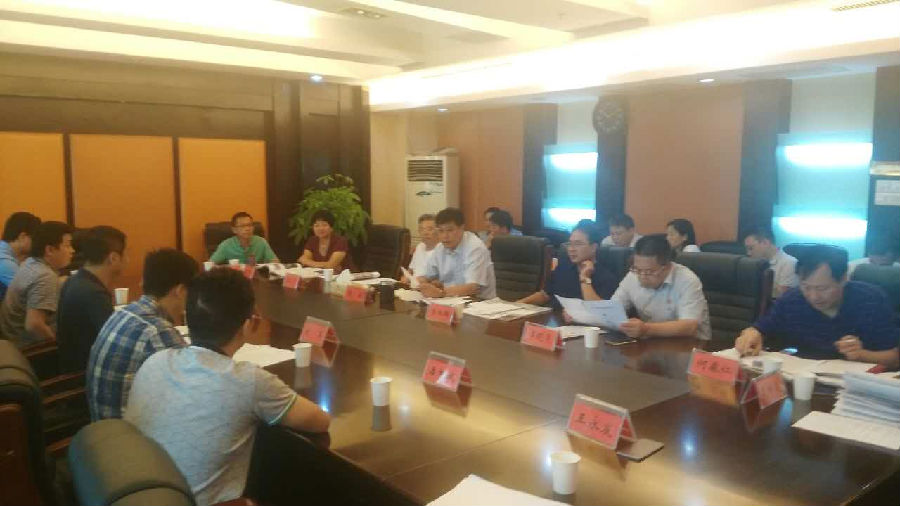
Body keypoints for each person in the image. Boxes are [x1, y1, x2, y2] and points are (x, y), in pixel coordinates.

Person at [125, 269, 330, 505]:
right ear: (248, 324)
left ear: (187, 317)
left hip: (133, 495)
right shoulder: (248, 380)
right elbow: (319, 420)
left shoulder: (155, 361)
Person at [734, 245, 899, 366]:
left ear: (844, 279)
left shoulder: (871, 300)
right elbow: (761, 328)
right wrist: (752, 334)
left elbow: (895, 357)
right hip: (804, 379)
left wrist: (862, 354)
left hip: (855, 389)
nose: (814, 297)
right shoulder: (792, 299)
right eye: (806, 287)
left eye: (822, 288)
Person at [87, 248, 199, 420]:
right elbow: (195, 392)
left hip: (103, 425)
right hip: (130, 432)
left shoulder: (124, 313)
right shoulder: (157, 331)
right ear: (180, 290)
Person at [610, 234, 711, 340]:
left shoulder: (687, 280)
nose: (642, 276)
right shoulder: (633, 275)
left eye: (649, 272)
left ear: (667, 266)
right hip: (653, 341)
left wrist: (646, 329)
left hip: (690, 344)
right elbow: (613, 308)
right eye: (637, 269)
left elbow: (690, 326)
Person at [56, 226, 126, 373]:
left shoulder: (75, 280)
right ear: (113, 258)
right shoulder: (93, 293)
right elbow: (117, 344)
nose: (127, 260)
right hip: (85, 375)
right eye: (125, 255)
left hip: (72, 367)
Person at [0, 221, 73, 348]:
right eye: (67, 245)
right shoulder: (45, 276)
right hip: (28, 349)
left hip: (10, 339)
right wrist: (57, 346)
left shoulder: (30, 262)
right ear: (49, 250)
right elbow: (33, 325)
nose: (72, 250)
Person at [518, 221, 617, 307]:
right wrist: (516, 305)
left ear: (594, 247)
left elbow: (599, 310)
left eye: (578, 244)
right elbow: (545, 295)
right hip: (555, 319)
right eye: (570, 244)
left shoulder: (606, 278)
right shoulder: (563, 268)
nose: (571, 249)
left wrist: (585, 278)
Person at [417, 207, 496, 299]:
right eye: (441, 231)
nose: (445, 236)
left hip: (479, 302)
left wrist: (441, 293)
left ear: (462, 228)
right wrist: (422, 284)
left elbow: (472, 287)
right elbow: (427, 276)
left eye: (450, 230)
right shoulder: (440, 248)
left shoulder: (475, 248)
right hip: (450, 299)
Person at [743, 226, 798, 298]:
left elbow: (785, 297)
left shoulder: (789, 263)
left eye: (751, 248)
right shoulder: (754, 263)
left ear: (765, 242)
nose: (748, 253)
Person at [209, 212, 278, 265]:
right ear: (234, 230)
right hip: (235, 277)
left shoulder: (261, 242)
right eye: (242, 226)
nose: (247, 229)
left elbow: (275, 262)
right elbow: (210, 264)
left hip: (256, 276)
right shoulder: (226, 245)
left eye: (249, 225)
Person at [0, 212, 41, 299]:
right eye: (35, 239)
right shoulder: (5, 262)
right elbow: (31, 293)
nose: (37, 243)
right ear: (22, 236)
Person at [405, 213, 439, 280]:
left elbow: (441, 279)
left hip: (427, 285)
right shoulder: (420, 246)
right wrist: (406, 276)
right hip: (413, 284)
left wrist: (425, 280)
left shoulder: (442, 251)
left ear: (438, 231)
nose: (425, 233)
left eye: (430, 229)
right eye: (422, 229)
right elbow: (411, 269)